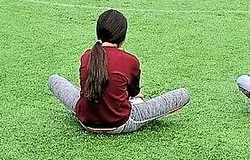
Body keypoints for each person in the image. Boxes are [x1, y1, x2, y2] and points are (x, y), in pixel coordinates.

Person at [47, 9, 190, 134]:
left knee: (54, 79)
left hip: (86, 119)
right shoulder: (130, 60)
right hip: (120, 121)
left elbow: (85, 90)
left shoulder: (86, 56)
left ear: (98, 32)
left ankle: (89, 109)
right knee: (182, 95)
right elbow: (133, 93)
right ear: (123, 36)